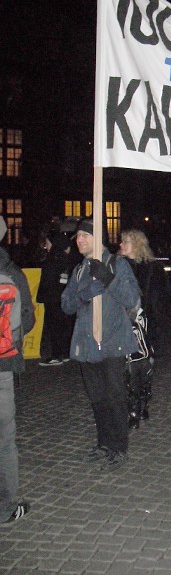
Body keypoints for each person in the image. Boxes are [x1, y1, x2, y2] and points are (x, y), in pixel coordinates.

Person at [61, 218, 141, 471]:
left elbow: (132, 300)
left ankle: (119, 448)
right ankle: (104, 443)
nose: (79, 240)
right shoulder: (80, 270)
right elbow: (66, 304)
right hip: (87, 345)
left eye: (84, 235)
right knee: (97, 398)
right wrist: (84, 294)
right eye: (78, 236)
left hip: (112, 342)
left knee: (115, 397)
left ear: (97, 238)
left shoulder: (117, 265)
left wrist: (109, 279)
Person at [0, 215, 35, 522]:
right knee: (5, 437)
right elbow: (29, 319)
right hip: (3, 364)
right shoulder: (12, 272)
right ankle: (8, 506)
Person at [118, 229, 167, 428]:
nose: (121, 245)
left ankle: (142, 404)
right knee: (127, 369)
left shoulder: (153, 269)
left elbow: (162, 298)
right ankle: (132, 409)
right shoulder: (118, 266)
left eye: (125, 242)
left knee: (144, 368)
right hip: (123, 326)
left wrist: (151, 321)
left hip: (146, 326)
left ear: (137, 244)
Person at [37, 232, 74, 366]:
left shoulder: (53, 258)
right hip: (61, 297)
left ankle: (56, 355)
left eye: (47, 242)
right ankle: (64, 353)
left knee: (54, 326)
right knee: (63, 325)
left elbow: (48, 279)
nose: (46, 245)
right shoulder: (64, 257)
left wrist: (43, 295)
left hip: (53, 297)